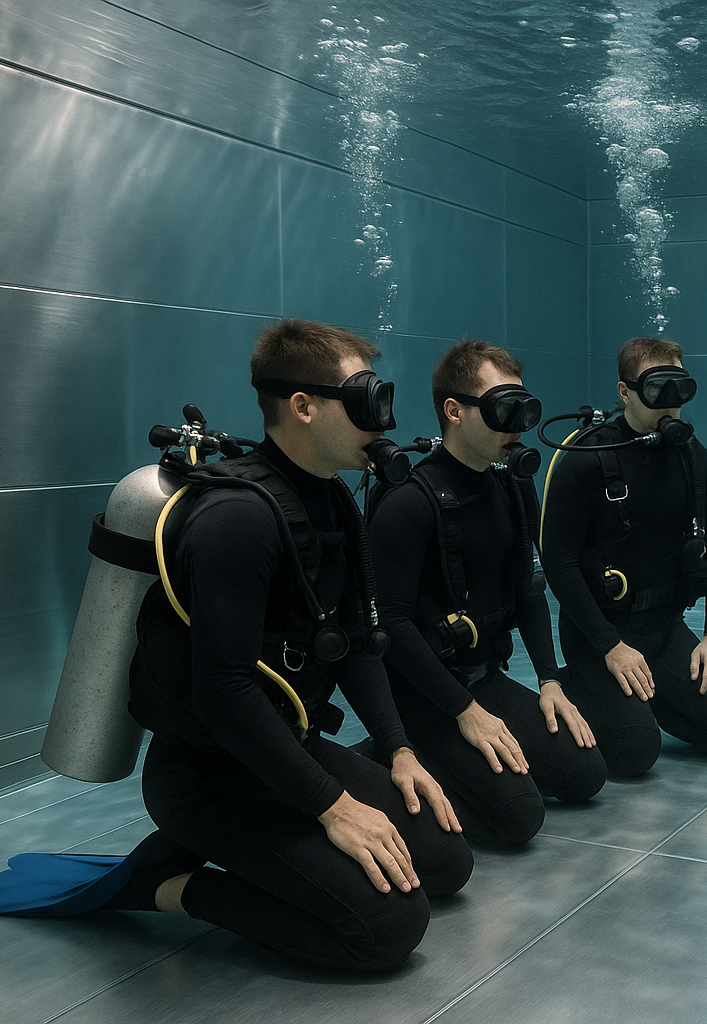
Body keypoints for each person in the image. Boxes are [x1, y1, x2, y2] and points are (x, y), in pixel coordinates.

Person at [120, 319, 472, 971]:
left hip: (286, 747)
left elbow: (360, 644)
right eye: (366, 400)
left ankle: (277, 843)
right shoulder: (238, 519)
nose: (384, 420)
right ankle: (168, 884)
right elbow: (222, 691)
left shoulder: (334, 502)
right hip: (207, 775)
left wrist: (399, 750)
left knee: (447, 858)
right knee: (390, 929)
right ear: (303, 407)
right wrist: (334, 807)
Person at [366, 339, 606, 847]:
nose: (517, 425)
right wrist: (463, 712)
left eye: (524, 408)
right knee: (518, 818)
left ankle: (464, 762)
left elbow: (529, 585)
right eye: (503, 409)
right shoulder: (408, 502)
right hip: (423, 695)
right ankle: (385, 754)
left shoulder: (513, 488)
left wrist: (550, 681)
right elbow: (390, 623)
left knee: (584, 774)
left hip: (482, 680)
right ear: (453, 411)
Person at [541, 336, 707, 777]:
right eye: (658, 391)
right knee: (636, 753)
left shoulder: (697, 461)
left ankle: (641, 698)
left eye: (681, 390)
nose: (671, 405)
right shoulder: (586, 459)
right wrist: (610, 647)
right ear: (624, 392)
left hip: (664, 629)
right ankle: (584, 683)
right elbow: (558, 563)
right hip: (600, 635)